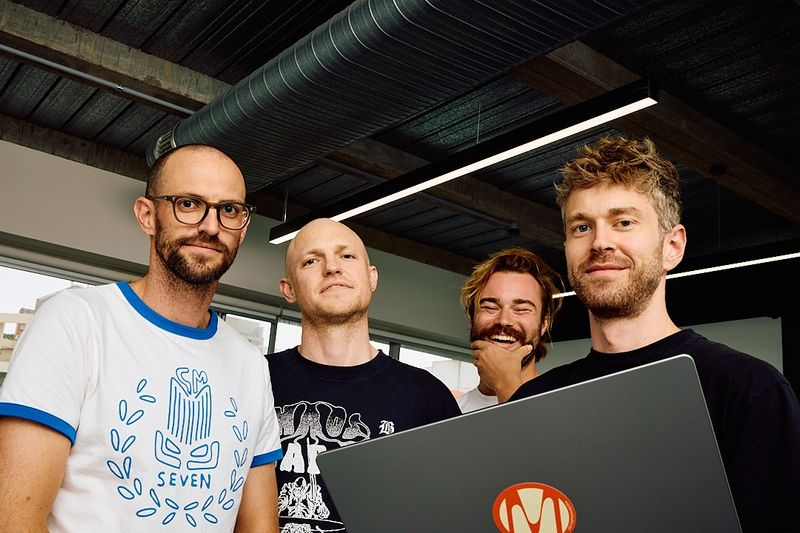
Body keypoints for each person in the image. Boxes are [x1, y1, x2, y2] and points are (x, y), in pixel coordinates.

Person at [504, 136, 800, 532]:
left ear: (672, 246)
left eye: (624, 222)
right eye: (582, 227)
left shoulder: (747, 391)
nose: (600, 242)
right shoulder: (532, 403)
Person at [0, 145, 283, 532]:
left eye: (229, 210)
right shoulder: (76, 321)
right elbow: (14, 521)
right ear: (147, 216)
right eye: (188, 204)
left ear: (243, 229)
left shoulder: (250, 364)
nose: (211, 226)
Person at [268, 218, 460, 532]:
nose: (332, 267)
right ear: (289, 289)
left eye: (347, 256)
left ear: (372, 278)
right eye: (311, 260)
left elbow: (453, 513)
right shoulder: (255, 379)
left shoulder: (427, 397)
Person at [458, 247, 562, 412]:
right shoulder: (451, 412)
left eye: (521, 309)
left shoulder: (562, 402)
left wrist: (505, 384)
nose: (504, 320)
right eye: (490, 307)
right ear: (471, 318)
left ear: (544, 324)